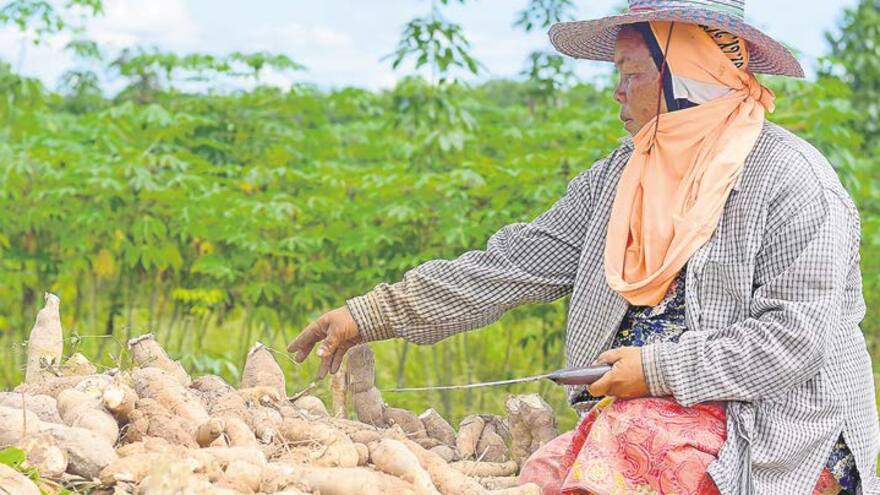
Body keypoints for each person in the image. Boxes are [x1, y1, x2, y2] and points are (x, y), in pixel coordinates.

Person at [288, 1, 879, 493]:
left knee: (623, 455)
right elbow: (509, 266)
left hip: (778, 428)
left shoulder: (796, 181)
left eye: (632, 74)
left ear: (687, 73)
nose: (617, 94)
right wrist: (370, 314)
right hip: (642, 412)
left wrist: (653, 368)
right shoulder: (620, 177)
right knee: (549, 474)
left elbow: (794, 341)